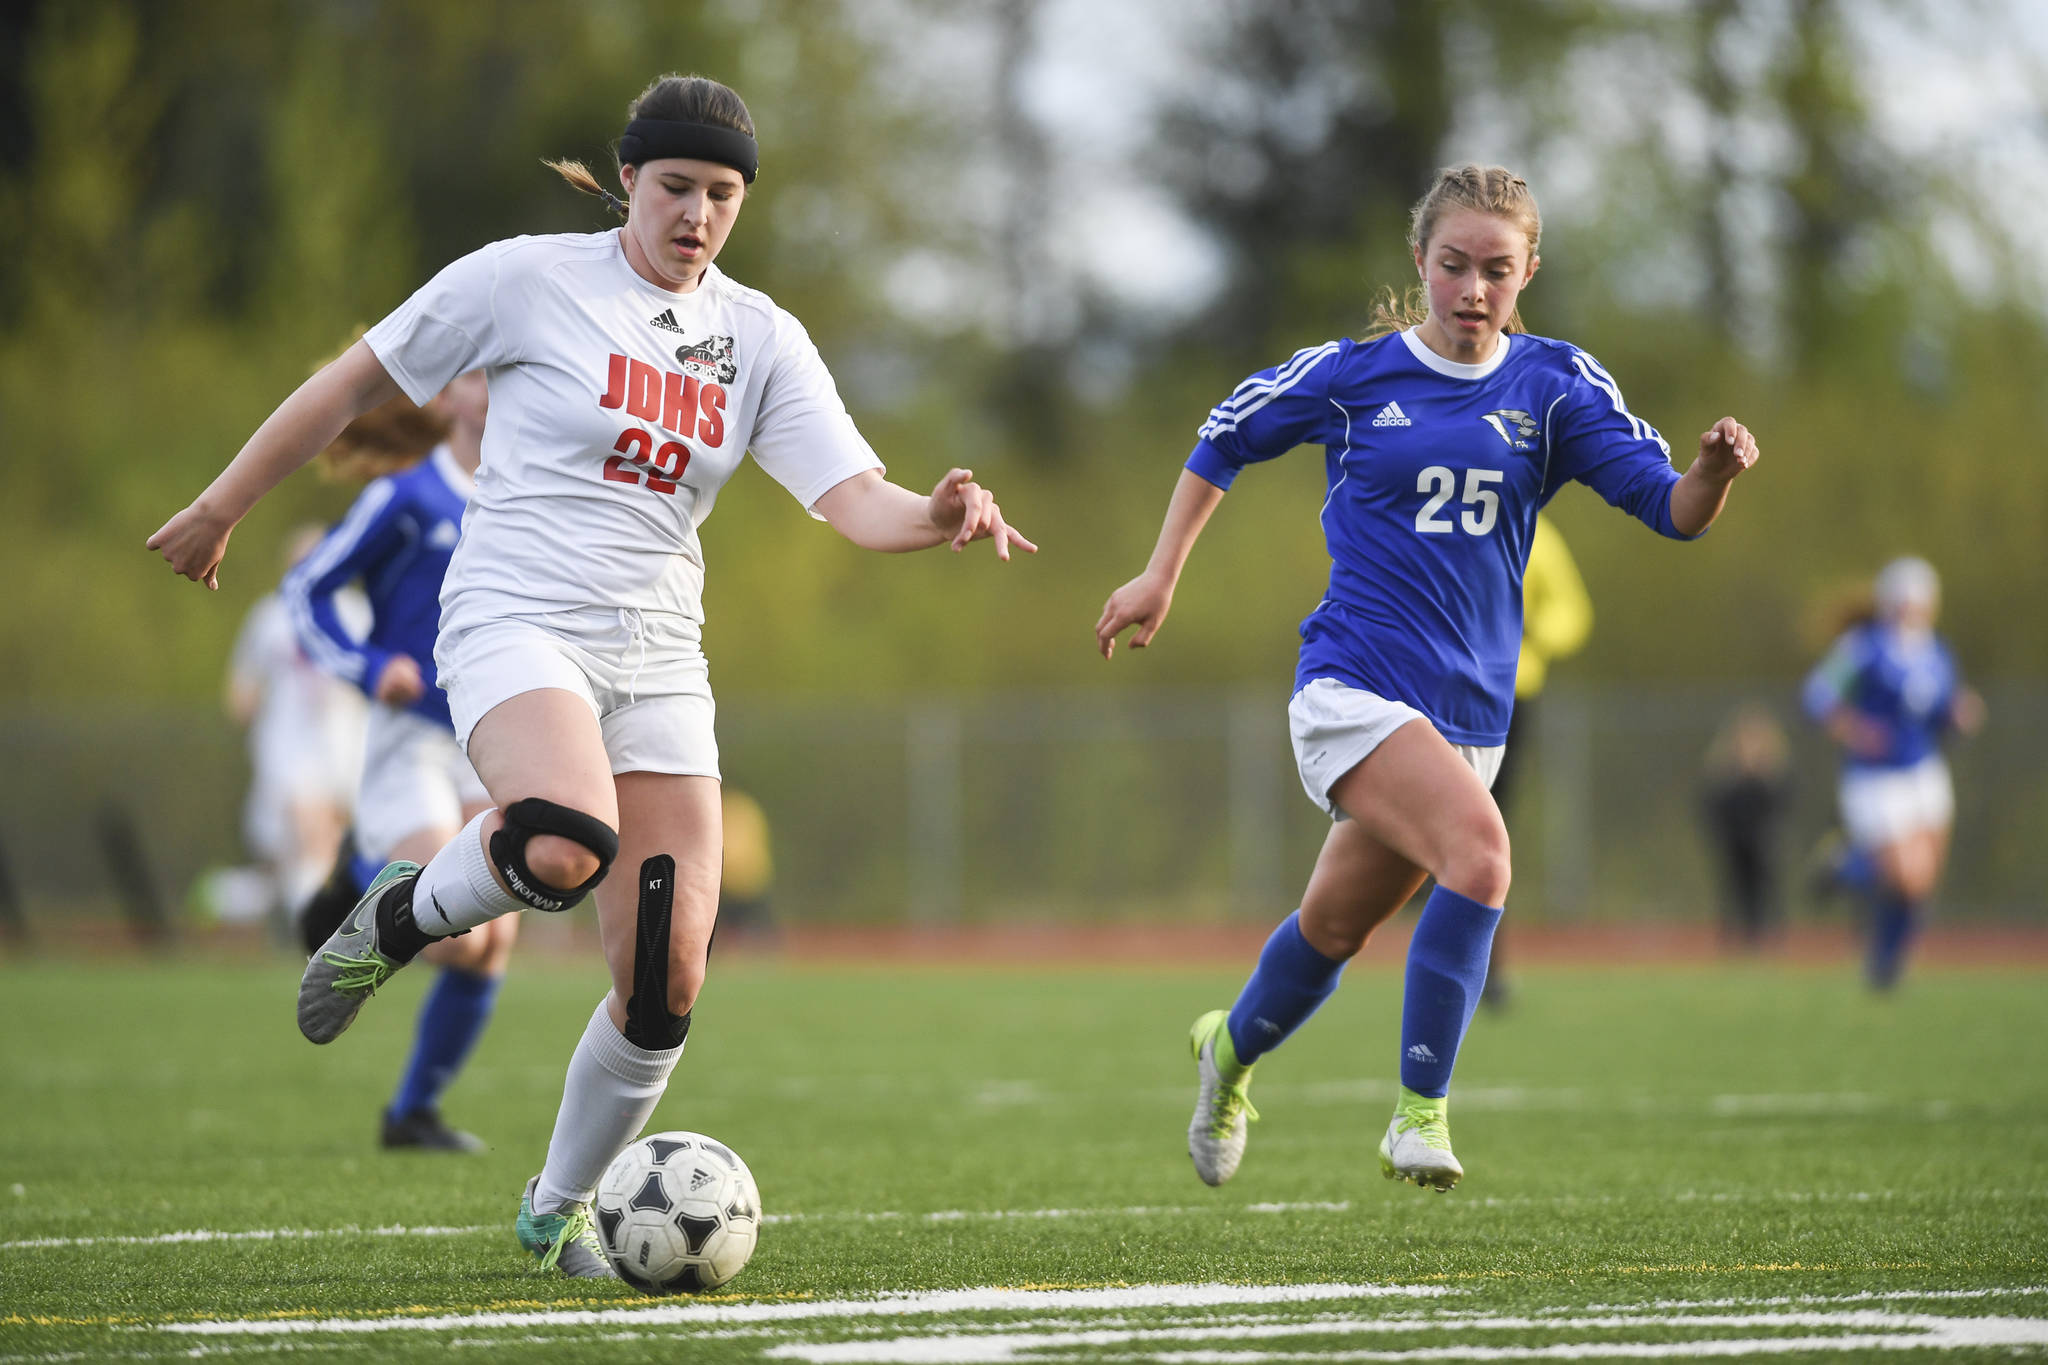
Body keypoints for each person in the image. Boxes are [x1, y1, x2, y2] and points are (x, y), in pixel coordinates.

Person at [149, 72, 1033, 1277]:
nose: (698, 216)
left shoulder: (759, 337)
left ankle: (556, 1208)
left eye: (723, 196)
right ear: (627, 178)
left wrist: (937, 511)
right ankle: (398, 917)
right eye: (677, 187)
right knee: (564, 836)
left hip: (660, 658)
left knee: (667, 975)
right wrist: (219, 507)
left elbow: (853, 502)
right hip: (513, 621)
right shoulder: (526, 279)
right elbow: (356, 382)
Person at [1096, 164, 1758, 1194]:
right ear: (1419, 262)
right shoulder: (1351, 376)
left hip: (1470, 722)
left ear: (1528, 271)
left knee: (1330, 932)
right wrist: (1158, 573)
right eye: (1451, 265)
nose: (1471, 290)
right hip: (1350, 688)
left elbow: (1668, 509)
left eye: (1496, 270)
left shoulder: (1554, 387)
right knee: (1482, 858)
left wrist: (1711, 472)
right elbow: (1222, 435)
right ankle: (1417, 1117)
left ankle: (1224, 1055)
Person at [284, 371, 517, 1153]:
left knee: (489, 941)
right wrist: (368, 662)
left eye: (507, 372)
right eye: (477, 374)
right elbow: (308, 589)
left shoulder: (534, 499)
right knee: (454, 933)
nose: (493, 390)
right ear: (446, 397)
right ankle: (354, 881)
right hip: (412, 738)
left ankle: (411, 1114)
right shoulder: (408, 496)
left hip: (495, 738)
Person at [1802, 558, 1982, 990]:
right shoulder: (1864, 647)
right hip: (1875, 779)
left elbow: (1939, 713)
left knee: (1921, 884)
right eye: (1904, 601)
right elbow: (1817, 695)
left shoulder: (1938, 652)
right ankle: (1844, 865)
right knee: (1904, 874)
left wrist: (1958, 715)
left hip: (1925, 772)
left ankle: (1886, 964)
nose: (1912, 610)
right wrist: (1853, 729)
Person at [221, 527, 367, 931]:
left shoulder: (356, 612)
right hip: (289, 745)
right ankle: (315, 931)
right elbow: (241, 690)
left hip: (346, 742)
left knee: (330, 843)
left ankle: (305, 915)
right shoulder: (270, 618)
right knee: (309, 827)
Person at [1480, 511, 1592, 1008]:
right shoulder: (1436, 504)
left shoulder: (1537, 531)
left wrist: (1532, 634)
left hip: (1509, 695)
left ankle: (1489, 963)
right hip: (1434, 686)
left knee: (1488, 830)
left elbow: (1572, 610)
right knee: (1438, 827)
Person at [1698, 704, 1792, 949]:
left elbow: (1782, 802)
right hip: (1733, 838)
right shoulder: (1725, 772)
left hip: (1762, 838)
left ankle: (1766, 935)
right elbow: (1713, 804)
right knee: (1734, 886)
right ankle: (1732, 936)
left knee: (1764, 886)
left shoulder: (1772, 770)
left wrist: (1759, 776)